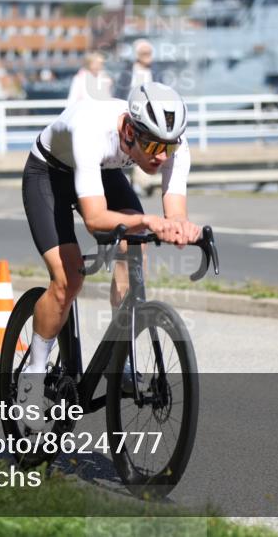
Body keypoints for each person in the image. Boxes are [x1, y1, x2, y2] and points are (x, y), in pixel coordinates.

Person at [19, 82, 201, 430]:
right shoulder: (92, 129)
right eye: (153, 146)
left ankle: (123, 356)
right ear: (129, 131)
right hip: (49, 174)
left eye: (169, 147)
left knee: (134, 249)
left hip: (103, 172)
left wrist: (182, 229)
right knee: (69, 279)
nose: (162, 156)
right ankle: (34, 373)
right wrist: (148, 220)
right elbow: (95, 219)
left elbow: (175, 213)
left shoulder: (171, 142)